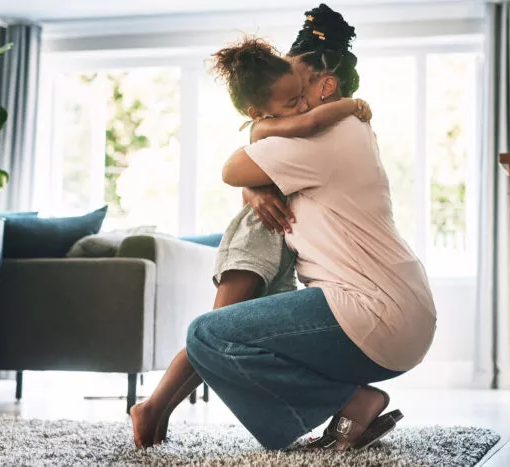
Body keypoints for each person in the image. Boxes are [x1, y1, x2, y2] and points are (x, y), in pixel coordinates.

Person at [184, 4, 437, 451]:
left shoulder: (325, 134)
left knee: (208, 333)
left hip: (372, 311)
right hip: (399, 310)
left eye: (297, 89)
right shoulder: (344, 132)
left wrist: (257, 164)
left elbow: (231, 169)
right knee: (244, 330)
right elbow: (251, 178)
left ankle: (354, 400)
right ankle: (346, 407)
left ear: (326, 85)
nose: (293, 104)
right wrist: (258, 192)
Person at [130, 35, 372, 448]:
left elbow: (262, 180)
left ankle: (157, 409)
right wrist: (352, 106)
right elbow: (307, 126)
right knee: (215, 328)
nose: (300, 105)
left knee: (237, 335)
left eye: (300, 96)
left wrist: (256, 191)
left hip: (278, 243)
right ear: (257, 111)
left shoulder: (276, 122)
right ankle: (152, 407)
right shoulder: (267, 126)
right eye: (291, 101)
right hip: (256, 238)